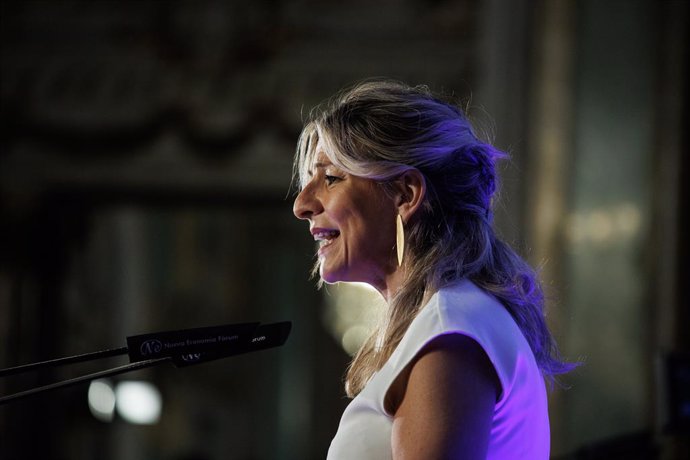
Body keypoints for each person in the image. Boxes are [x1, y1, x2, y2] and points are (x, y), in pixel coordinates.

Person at [292, 80, 574, 459]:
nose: (302, 204)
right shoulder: (451, 320)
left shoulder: (449, 330)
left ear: (406, 194)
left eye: (330, 178)